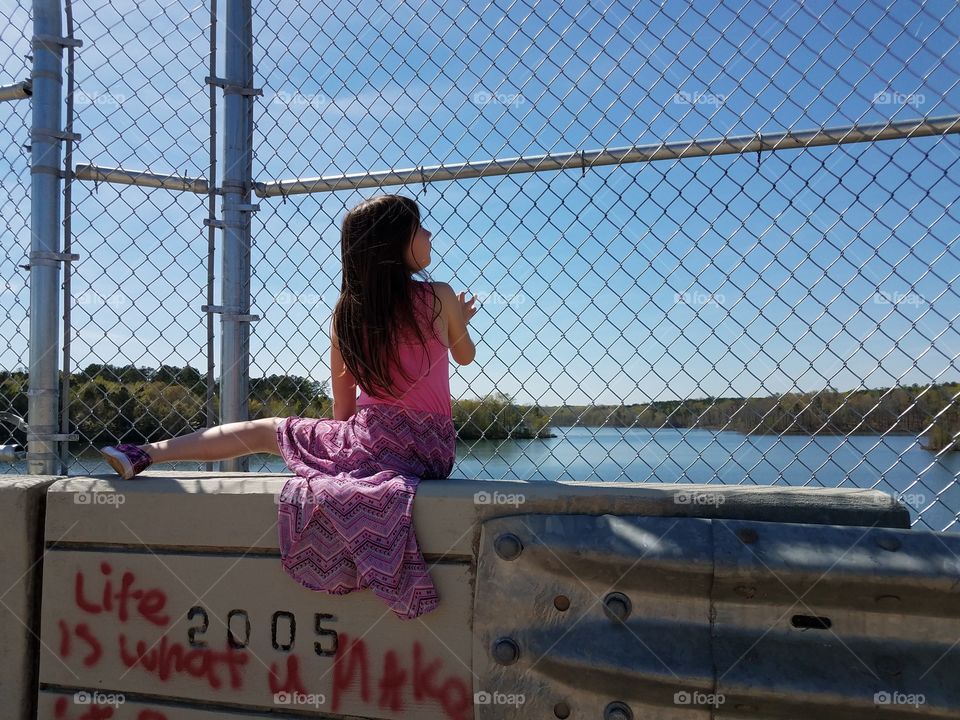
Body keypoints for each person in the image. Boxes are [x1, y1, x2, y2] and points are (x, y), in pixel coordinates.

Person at [100, 194, 478, 619]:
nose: (429, 234)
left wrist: (342, 454)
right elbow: (465, 356)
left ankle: (146, 452)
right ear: (397, 242)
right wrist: (459, 321)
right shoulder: (441, 296)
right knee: (283, 433)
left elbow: (343, 411)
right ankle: (146, 452)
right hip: (430, 451)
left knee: (266, 430)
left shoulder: (346, 314)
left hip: (372, 438)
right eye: (420, 227)